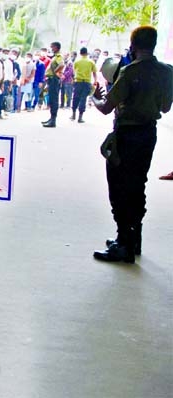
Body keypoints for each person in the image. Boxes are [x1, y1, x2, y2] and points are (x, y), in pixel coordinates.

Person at [91, 26, 173, 263]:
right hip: (148, 134)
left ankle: (123, 244)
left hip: (126, 134)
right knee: (138, 184)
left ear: (133, 45)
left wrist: (96, 97)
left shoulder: (128, 72)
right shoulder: (167, 73)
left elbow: (106, 108)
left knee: (118, 186)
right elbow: (166, 107)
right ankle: (133, 239)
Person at [71, 47, 97, 123]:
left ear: (80, 53)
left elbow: (73, 72)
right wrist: (95, 81)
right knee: (83, 99)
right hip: (86, 82)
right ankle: (80, 117)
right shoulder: (91, 62)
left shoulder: (77, 61)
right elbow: (94, 72)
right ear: (87, 53)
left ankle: (73, 114)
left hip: (78, 82)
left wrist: (73, 81)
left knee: (75, 98)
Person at [42, 42, 64, 128]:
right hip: (51, 79)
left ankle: (53, 120)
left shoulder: (59, 56)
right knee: (51, 99)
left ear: (56, 47)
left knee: (54, 100)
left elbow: (61, 64)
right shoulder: (55, 56)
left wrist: (55, 72)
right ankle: (51, 118)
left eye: (52, 47)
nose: (51, 48)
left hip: (54, 79)